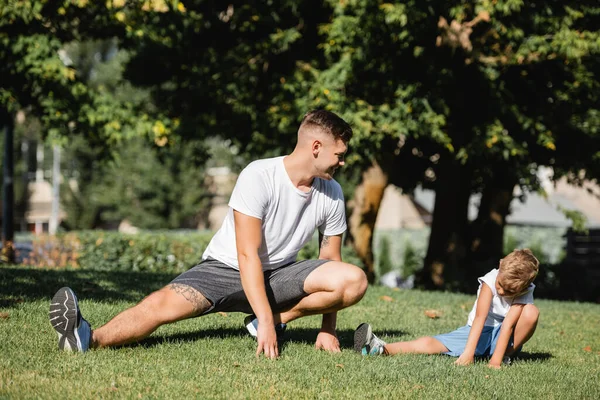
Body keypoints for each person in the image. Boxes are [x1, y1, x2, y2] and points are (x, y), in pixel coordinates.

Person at [49, 109, 368, 359]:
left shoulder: (332, 192)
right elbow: (246, 255)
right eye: (339, 154)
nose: (342, 161)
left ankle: (272, 317)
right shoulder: (260, 175)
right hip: (226, 268)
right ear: (316, 147)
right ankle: (87, 337)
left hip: (280, 274)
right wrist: (268, 326)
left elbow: (330, 260)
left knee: (353, 280)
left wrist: (327, 330)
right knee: (161, 306)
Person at [354, 249, 540, 368]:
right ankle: (380, 349)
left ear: (523, 288)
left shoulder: (525, 290)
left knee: (531, 312)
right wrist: (468, 353)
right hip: (478, 330)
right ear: (499, 266)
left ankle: (504, 356)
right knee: (430, 344)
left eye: (509, 291)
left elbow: (508, 325)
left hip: (504, 337)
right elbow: (480, 318)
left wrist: (496, 362)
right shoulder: (490, 281)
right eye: (500, 285)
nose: (501, 291)